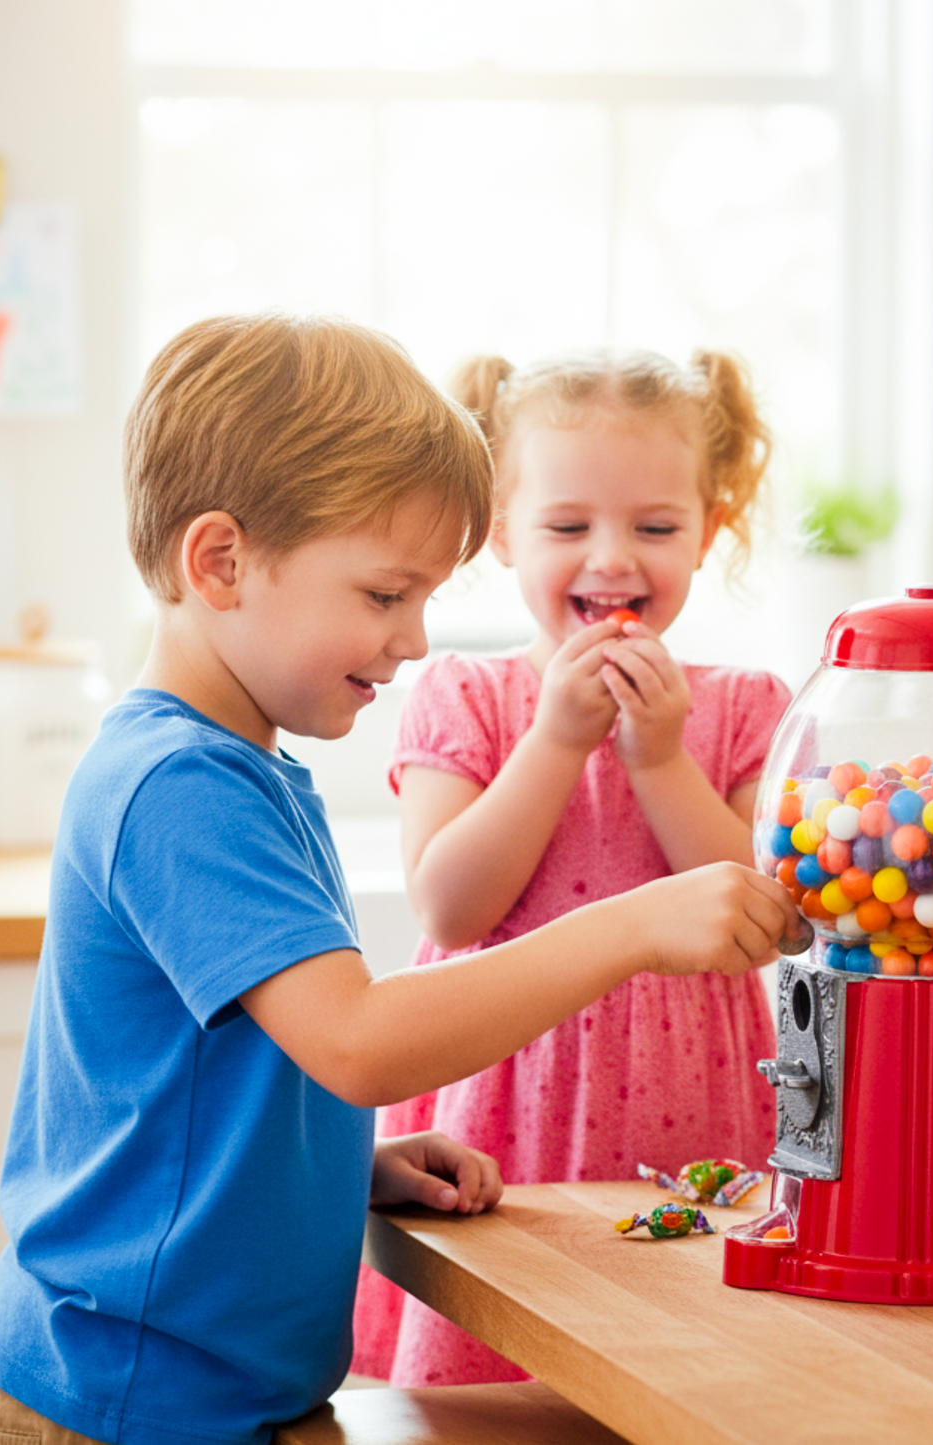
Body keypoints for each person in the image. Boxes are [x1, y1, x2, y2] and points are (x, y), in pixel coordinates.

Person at [0, 315, 802, 1445]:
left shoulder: (241, 771)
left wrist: (347, 1165)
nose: (410, 641)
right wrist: (633, 925)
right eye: (383, 594)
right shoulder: (179, 785)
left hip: (189, 1390)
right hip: (124, 1398)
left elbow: (223, 1078)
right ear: (220, 563)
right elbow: (356, 1039)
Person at [351, 347, 790, 1386]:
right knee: (494, 1386)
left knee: (688, 1375)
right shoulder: (465, 694)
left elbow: (759, 920)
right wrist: (553, 740)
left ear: (710, 529)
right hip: (503, 1097)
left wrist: (659, 757)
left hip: (698, 1101)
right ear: (502, 531)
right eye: (565, 526)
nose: (612, 558)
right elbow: (450, 907)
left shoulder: (745, 706)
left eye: (655, 527)